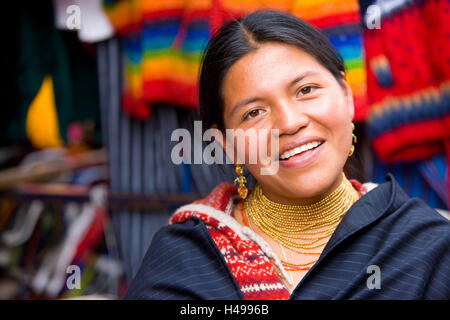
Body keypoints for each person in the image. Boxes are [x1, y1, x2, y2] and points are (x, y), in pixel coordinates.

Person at [125, 10, 450, 300]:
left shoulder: (427, 247)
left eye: (306, 90)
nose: (291, 123)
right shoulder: (186, 261)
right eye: (254, 113)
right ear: (225, 142)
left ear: (347, 97)